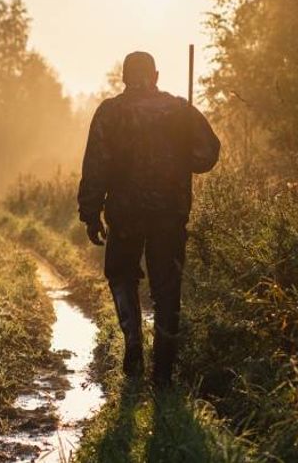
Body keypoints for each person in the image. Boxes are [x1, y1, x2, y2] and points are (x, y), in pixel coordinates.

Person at [77, 51, 220, 389]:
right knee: (167, 289)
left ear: (124, 77)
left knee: (122, 275)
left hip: (125, 212)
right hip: (169, 213)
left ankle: (133, 342)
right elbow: (207, 154)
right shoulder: (180, 110)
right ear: (155, 75)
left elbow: (95, 165)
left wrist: (90, 212)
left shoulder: (110, 113)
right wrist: (182, 152)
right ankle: (163, 375)